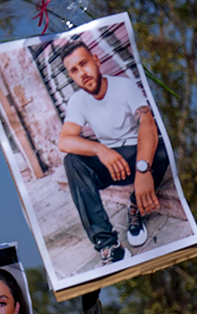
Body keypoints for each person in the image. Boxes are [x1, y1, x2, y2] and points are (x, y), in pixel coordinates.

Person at [57, 38, 170, 266]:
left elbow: (147, 123)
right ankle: (108, 245)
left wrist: (142, 169)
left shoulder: (124, 86)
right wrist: (100, 149)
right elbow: (65, 141)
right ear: (71, 76)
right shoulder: (77, 101)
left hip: (136, 156)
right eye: (74, 70)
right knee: (72, 162)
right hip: (112, 164)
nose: (82, 73)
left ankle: (135, 204)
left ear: (97, 60)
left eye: (84, 64)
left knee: (162, 150)